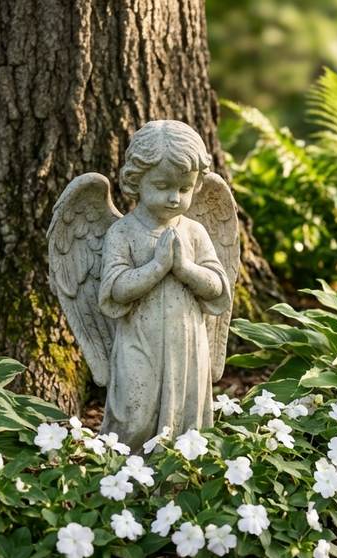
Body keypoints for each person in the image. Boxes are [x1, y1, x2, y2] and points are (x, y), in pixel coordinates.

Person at [97, 120, 232, 446]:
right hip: (139, 340)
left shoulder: (195, 232)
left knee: (186, 416)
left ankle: (181, 469)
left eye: (185, 189)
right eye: (162, 186)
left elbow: (217, 286)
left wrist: (185, 268)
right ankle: (126, 467)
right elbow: (115, 289)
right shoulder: (123, 232)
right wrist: (157, 267)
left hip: (187, 340)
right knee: (134, 413)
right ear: (135, 181)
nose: (174, 198)